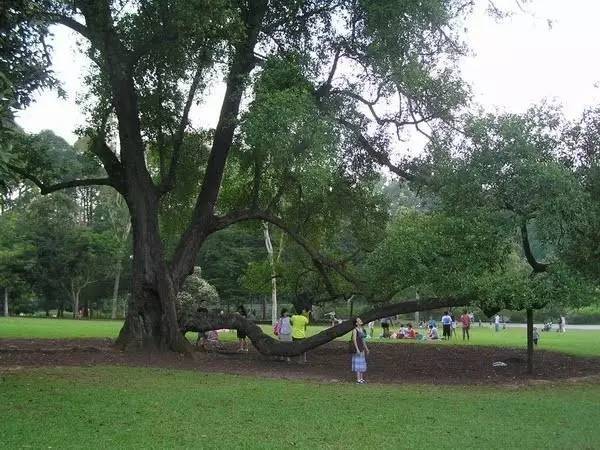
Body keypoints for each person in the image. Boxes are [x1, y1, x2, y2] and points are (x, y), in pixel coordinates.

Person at [351, 317, 369, 384]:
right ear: (356, 323)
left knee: (362, 363)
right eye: (359, 320)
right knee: (358, 364)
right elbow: (354, 340)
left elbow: (363, 340)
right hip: (358, 349)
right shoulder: (355, 330)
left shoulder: (362, 329)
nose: (361, 321)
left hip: (362, 349)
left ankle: (361, 379)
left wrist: (366, 348)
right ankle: (358, 379)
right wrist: (357, 349)